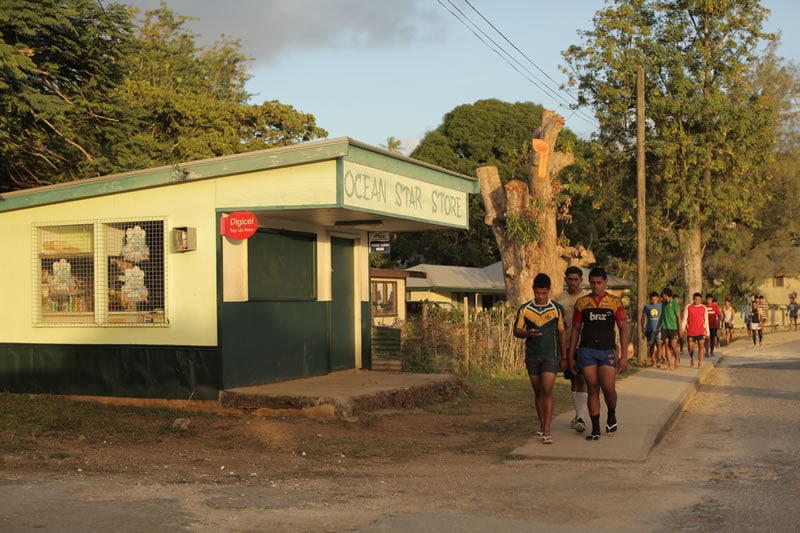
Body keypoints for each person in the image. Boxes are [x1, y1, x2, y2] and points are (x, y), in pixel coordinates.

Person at [568, 267, 629, 441]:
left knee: (608, 387)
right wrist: (571, 355)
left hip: (607, 351)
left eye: (599, 283)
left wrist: (624, 356)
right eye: (593, 283)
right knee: (592, 387)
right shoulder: (582, 303)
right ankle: (595, 428)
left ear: (605, 283)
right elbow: (576, 330)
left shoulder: (615, 302)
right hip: (587, 351)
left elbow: (623, 328)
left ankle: (611, 413)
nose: (596, 286)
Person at [513, 273, 567, 445]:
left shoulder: (556, 309)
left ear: (549, 291)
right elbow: (517, 331)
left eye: (544, 293)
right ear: (533, 291)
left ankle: (547, 430)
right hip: (532, 356)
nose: (541, 297)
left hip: (551, 355)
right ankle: (542, 423)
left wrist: (564, 357)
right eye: (537, 293)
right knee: (538, 392)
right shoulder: (525, 309)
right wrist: (528, 333)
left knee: (547, 390)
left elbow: (562, 333)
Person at [553, 265, 589, 433]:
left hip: (584, 344)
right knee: (573, 379)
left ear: (581, 280)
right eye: (570, 279)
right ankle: (577, 415)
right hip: (566, 345)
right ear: (565, 280)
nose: (573, 282)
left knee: (581, 378)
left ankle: (580, 416)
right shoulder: (559, 299)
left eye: (576, 279)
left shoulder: (587, 298)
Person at [681, 292, 709, 368]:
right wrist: (683, 328)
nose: (697, 301)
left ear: (701, 300)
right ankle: (692, 358)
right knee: (690, 348)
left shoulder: (704, 308)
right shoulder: (688, 307)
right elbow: (685, 318)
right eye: (695, 299)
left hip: (701, 330)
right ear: (693, 299)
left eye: (698, 299)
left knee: (701, 346)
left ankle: (700, 362)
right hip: (691, 331)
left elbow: (706, 320)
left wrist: (707, 332)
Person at [658, 288, 680, 369]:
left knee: (673, 345)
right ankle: (670, 365)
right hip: (665, 327)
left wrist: (680, 328)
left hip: (673, 328)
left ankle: (677, 358)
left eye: (663, 294)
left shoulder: (674, 303)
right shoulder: (663, 304)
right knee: (667, 345)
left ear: (666, 295)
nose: (662, 296)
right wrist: (657, 327)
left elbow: (678, 317)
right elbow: (661, 316)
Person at [641, 291, 663, 368]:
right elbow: (643, 317)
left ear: (658, 299)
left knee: (659, 344)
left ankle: (659, 360)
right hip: (649, 329)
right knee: (651, 346)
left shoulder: (661, 306)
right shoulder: (647, 307)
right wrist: (642, 327)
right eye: (652, 299)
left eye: (655, 299)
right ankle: (653, 361)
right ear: (650, 299)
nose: (654, 301)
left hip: (659, 329)